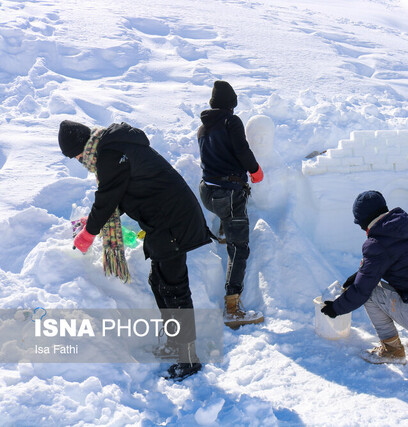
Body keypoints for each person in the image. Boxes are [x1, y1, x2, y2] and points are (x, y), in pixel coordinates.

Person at [58, 120, 211, 380]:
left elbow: (106, 198)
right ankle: (175, 344)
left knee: (174, 289)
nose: (80, 160)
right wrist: (93, 221)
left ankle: (188, 358)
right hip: (163, 221)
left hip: (173, 220)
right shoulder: (114, 148)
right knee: (158, 282)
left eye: (77, 155)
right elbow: (121, 195)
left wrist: (88, 234)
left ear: (83, 146)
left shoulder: (110, 154)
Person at [321, 191, 408, 364]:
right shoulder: (406, 228)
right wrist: (361, 274)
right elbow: (402, 263)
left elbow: (362, 290)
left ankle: (392, 350)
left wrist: (336, 308)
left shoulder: (377, 244)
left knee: (372, 292)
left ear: (363, 221)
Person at [197, 80, 265, 329]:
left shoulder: (202, 128)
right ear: (231, 104)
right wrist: (255, 170)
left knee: (231, 221)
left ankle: (226, 228)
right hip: (228, 193)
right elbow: (241, 148)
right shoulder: (230, 121)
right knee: (240, 249)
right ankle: (233, 308)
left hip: (208, 193)